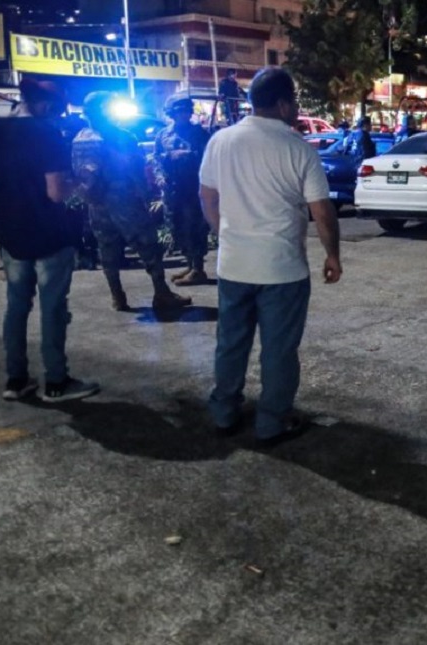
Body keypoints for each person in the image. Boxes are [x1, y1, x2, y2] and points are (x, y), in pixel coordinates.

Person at [199, 66, 343, 448]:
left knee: (231, 342)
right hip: (282, 268)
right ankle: (271, 422)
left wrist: (222, 233)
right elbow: (322, 211)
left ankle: (224, 412)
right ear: (282, 104)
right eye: (293, 100)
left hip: (234, 264)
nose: (295, 107)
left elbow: (207, 196)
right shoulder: (297, 148)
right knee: (278, 350)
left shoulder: (221, 140)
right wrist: (332, 255)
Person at [0, 79, 100, 403]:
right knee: (52, 308)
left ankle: (16, 380)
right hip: (49, 235)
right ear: (47, 105)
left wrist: (10, 203)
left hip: (11, 234)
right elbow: (55, 192)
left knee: (16, 306)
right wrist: (80, 183)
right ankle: (56, 382)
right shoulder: (46, 134)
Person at [72, 91, 192, 312]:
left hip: (96, 205)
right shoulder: (122, 137)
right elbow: (137, 171)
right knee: (148, 246)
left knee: (107, 250)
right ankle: (161, 293)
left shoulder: (80, 138)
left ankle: (118, 298)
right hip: (124, 201)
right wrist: (148, 198)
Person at [154, 93, 212, 286]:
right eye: (179, 112)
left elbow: (208, 158)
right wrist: (160, 176)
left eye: (187, 111)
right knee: (178, 226)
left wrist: (186, 155)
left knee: (194, 226)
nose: (184, 115)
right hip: (173, 188)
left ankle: (198, 268)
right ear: (172, 114)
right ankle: (189, 263)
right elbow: (156, 159)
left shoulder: (200, 134)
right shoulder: (163, 134)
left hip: (193, 187)